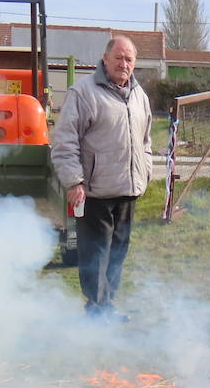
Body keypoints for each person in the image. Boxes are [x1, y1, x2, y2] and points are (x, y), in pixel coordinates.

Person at [51, 35, 152, 319]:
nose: (124, 64)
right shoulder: (83, 93)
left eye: (129, 59)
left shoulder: (139, 96)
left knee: (118, 252)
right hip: (94, 192)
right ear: (105, 59)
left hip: (128, 190)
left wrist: (144, 172)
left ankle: (107, 304)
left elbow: (145, 141)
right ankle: (95, 308)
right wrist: (74, 181)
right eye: (118, 57)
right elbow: (64, 142)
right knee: (96, 252)